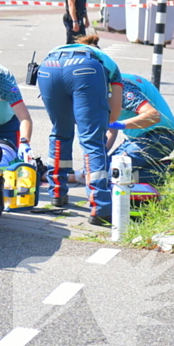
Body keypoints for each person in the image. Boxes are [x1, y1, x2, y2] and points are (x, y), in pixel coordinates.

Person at [37, 33, 123, 225]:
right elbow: (114, 113)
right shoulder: (106, 62)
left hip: (48, 68)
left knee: (60, 131)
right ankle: (100, 208)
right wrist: (94, 120)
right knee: (92, 140)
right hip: (86, 72)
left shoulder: (61, 48)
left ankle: (57, 194)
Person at [105, 73, 174, 185]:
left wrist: (120, 124)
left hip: (158, 136)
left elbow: (153, 115)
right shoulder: (103, 87)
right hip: (136, 139)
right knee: (101, 172)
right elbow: (111, 131)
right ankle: (149, 171)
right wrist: (98, 156)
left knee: (112, 175)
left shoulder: (123, 87)